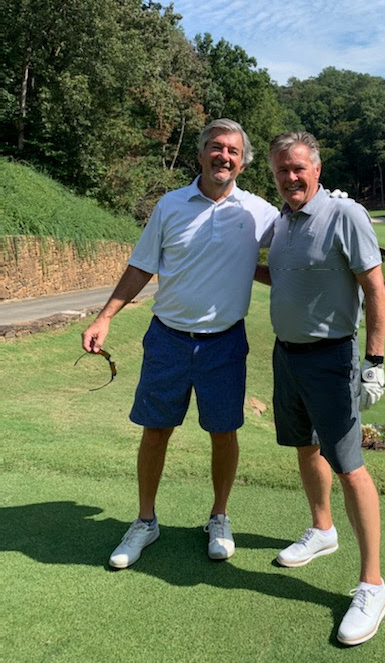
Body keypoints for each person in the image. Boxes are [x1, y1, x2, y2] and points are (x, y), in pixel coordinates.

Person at [81, 118, 279, 569]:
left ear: (243, 162)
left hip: (224, 343)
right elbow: (141, 266)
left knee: (223, 433)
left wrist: (338, 210)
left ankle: (219, 516)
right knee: (156, 431)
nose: (223, 156)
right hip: (168, 338)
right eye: (216, 147)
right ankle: (145, 521)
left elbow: (299, 244)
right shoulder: (170, 205)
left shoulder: (259, 212)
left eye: (232, 150)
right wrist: (104, 317)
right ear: (201, 154)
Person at [266, 131, 385, 646]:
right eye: (281, 170)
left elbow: (374, 288)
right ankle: (322, 529)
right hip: (287, 355)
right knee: (305, 445)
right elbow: (285, 275)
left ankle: (373, 585)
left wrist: (374, 361)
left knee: (350, 467)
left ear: (316, 169)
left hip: (332, 357)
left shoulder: (345, 214)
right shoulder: (282, 223)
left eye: (298, 168)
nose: (290, 177)